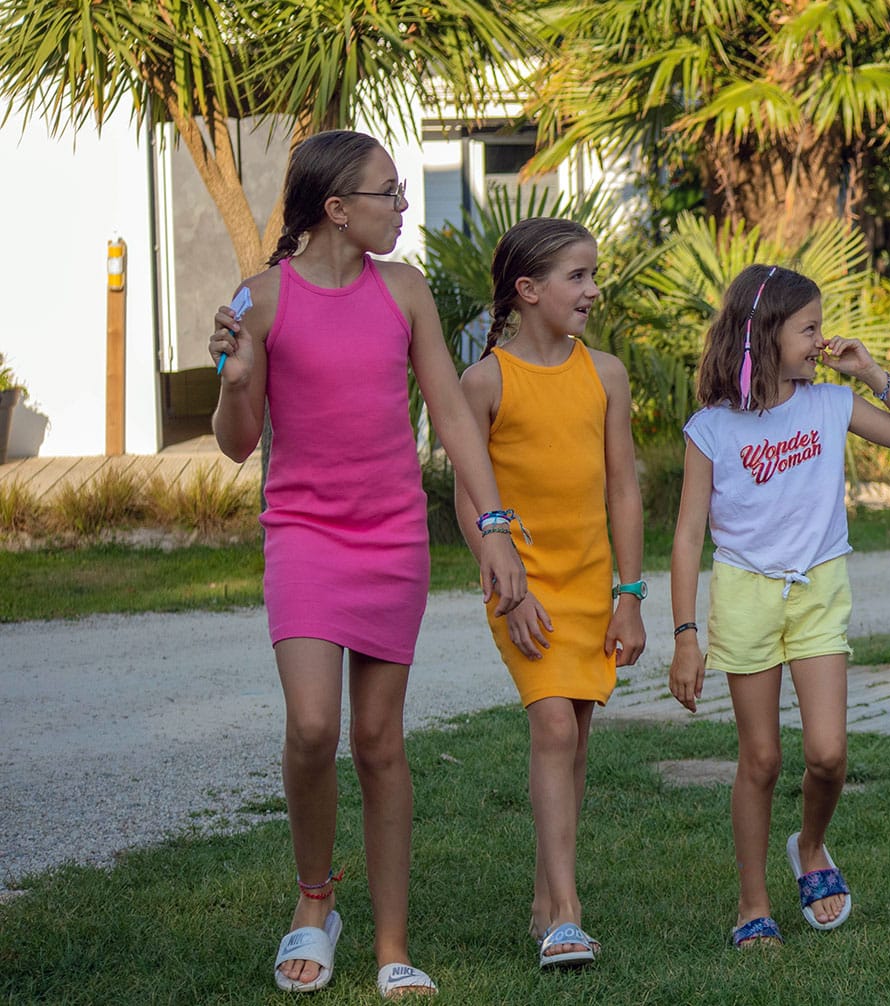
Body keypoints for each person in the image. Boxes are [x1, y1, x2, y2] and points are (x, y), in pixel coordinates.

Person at [209, 129, 529, 997]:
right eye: (388, 193)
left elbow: (454, 419)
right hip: (305, 535)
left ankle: (393, 944)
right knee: (315, 728)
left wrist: (493, 522)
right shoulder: (262, 298)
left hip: (391, 537)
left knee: (380, 742)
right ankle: (315, 901)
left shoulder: (406, 291)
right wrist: (239, 381)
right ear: (336, 208)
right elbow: (238, 445)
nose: (400, 207)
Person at [665, 264, 890, 949]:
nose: (824, 338)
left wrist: (871, 374)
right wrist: (685, 636)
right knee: (760, 759)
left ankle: (811, 845)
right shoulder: (710, 428)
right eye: (810, 327)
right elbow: (687, 537)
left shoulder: (830, 405)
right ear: (765, 335)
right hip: (745, 594)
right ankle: (752, 901)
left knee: (828, 755)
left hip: (818, 589)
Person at [452, 217, 647, 970]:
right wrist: (506, 581)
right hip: (523, 589)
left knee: (576, 738)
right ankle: (567, 912)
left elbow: (625, 490)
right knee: (554, 732)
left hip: (593, 583)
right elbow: (471, 494)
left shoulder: (606, 374)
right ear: (527, 291)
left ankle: (544, 899)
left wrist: (629, 593)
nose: (594, 290)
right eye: (578, 277)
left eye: (594, 275)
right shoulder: (485, 381)